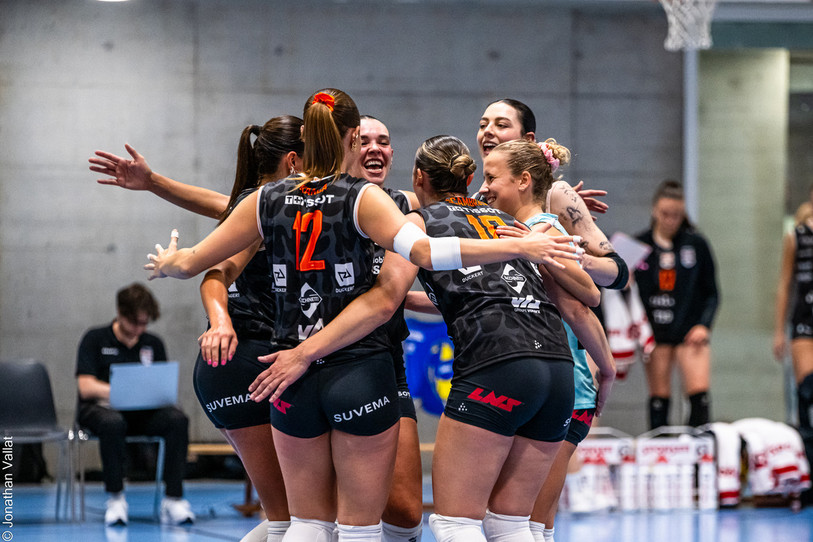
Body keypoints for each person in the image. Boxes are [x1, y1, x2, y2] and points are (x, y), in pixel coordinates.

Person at [145, 88, 582, 541]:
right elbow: (426, 252)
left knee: (304, 524)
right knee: (360, 528)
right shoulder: (364, 198)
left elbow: (195, 263)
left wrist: (167, 261)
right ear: (353, 137)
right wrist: (520, 243)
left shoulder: (266, 199)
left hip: (291, 370)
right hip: (360, 369)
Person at [90, 116, 303, 541]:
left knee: (295, 516)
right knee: (292, 517)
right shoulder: (267, 204)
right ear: (295, 162)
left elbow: (214, 201)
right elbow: (213, 272)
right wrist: (214, 310)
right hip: (242, 361)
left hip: (241, 364)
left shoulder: (260, 202)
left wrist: (153, 182)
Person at [478, 138, 616, 542]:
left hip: (567, 390)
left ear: (524, 180)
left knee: (527, 523)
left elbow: (584, 302)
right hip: (544, 385)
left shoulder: (542, 234)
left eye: (490, 178)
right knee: (523, 522)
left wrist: (606, 371)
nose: (483, 188)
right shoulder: (515, 236)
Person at [75, 283, 195, 526]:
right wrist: (120, 393)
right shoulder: (95, 339)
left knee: (177, 420)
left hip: (142, 412)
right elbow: (85, 386)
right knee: (112, 423)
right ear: (120, 313)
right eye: (134, 323)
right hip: (100, 410)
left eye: (144, 324)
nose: (139, 330)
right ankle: (116, 498)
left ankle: (173, 499)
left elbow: (160, 387)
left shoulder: (153, 343)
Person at [634, 179, 719, 429]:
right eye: (665, 214)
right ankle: (660, 455)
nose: (671, 220)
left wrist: (704, 325)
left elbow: (712, 292)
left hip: (689, 330)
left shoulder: (696, 244)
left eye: (677, 215)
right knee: (659, 398)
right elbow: (616, 285)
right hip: (655, 332)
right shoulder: (639, 245)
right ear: (654, 211)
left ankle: (697, 456)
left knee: (699, 397)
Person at [774, 193, 813, 468]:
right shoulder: (796, 236)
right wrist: (779, 331)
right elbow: (785, 284)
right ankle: (809, 469)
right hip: (804, 321)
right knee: (807, 393)